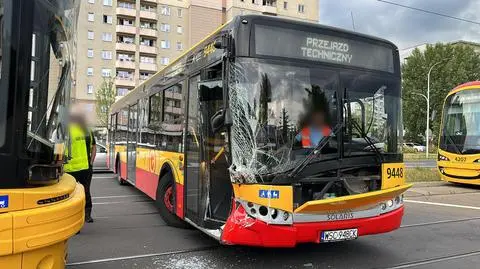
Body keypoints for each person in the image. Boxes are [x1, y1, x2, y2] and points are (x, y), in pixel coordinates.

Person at [64, 112, 94, 223]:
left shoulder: (65, 129)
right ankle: (87, 216)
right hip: (85, 168)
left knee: (72, 196)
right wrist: (90, 163)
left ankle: (75, 218)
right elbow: (94, 147)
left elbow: (58, 147)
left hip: (69, 170)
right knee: (86, 192)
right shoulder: (86, 130)